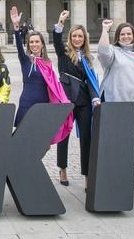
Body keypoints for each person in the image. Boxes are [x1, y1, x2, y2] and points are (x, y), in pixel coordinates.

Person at [10, 6, 73, 145]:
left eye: (37, 41)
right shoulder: (26, 60)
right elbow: (19, 46)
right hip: (26, 104)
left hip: (43, 105)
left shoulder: (48, 63)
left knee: (38, 144)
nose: (34, 44)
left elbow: (54, 86)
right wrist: (16, 27)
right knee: (21, 142)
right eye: (31, 42)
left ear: (42, 45)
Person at [52, 10, 100, 188]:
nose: (77, 39)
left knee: (87, 138)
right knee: (63, 135)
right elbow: (57, 39)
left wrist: (95, 98)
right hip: (66, 99)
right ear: (70, 38)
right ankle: (62, 169)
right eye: (74, 36)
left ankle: (87, 174)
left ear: (84, 39)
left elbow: (90, 81)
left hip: (84, 101)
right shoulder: (63, 53)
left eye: (80, 36)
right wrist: (61, 22)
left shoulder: (87, 57)